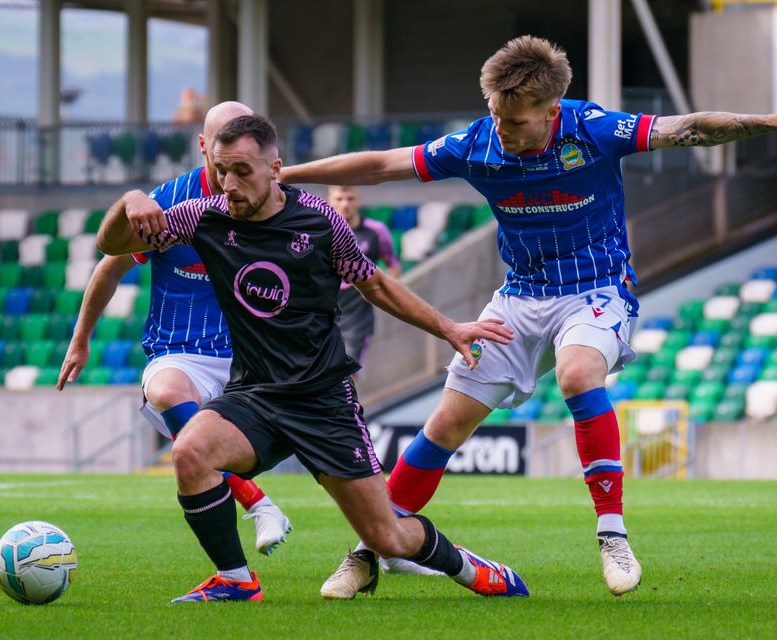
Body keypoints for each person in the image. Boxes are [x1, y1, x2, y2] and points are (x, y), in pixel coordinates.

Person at [279, 35, 777, 598]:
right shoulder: (478, 143)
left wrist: (766, 121)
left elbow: (685, 126)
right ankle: (370, 550)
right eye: (495, 116)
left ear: (551, 112)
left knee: (576, 373)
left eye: (515, 122)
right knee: (445, 425)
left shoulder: (592, 130)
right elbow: (380, 165)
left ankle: (612, 534)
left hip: (596, 291)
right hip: (519, 300)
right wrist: (286, 177)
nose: (502, 130)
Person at [96, 114, 529, 603]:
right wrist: (131, 201)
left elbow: (376, 284)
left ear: (275, 169)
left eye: (242, 170)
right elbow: (110, 244)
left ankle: (468, 567)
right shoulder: (203, 217)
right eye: (221, 171)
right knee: (190, 452)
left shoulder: (320, 223)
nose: (229, 184)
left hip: (323, 402)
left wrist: (448, 327)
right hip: (254, 397)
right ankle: (236, 581)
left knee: (388, 537)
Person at [58, 102, 292, 556]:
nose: (229, 157)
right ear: (204, 145)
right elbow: (109, 265)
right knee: (166, 391)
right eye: (220, 141)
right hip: (181, 351)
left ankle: (388, 544)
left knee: (337, 448)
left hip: (251, 356)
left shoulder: (270, 199)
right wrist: (80, 340)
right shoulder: (169, 203)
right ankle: (257, 506)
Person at [327, 185, 401, 364]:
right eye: (339, 199)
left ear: (358, 201)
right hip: (324, 313)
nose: (345, 204)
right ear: (330, 202)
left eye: (350, 199)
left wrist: (378, 290)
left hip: (358, 317)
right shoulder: (321, 231)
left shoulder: (376, 230)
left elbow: (393, 266)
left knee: (349, 371)